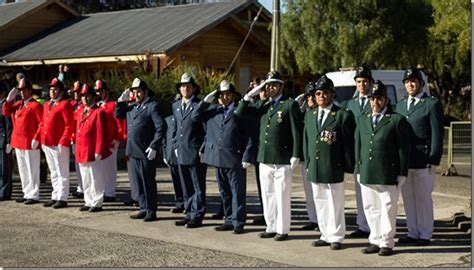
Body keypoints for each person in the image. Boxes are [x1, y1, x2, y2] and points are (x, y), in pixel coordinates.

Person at [235, 71, 302, 241]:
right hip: (264, 158)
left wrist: (296, 154)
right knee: (268, 195)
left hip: (282, 158)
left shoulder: (289, 105)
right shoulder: (263, 105)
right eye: (268, 85)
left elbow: (297, 132)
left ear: (281, 86)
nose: (270, 88)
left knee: (282, 195)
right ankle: (270, 226)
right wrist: (251, 94)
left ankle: (282, 229)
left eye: (274, 84)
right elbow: (240, 112)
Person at [356, 80, 410, 256]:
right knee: (370, 207)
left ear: (386, 100)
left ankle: (386, 242)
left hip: (387, 172)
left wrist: (402, 172)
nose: (375, 102)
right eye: (372, 99)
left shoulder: (395, 120)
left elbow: (403, 148)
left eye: (379, 98)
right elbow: (359, 145)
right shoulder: (362, 119)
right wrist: (358, 167)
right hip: (367, 171)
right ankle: (375, 239)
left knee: (387, 207)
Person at [195, 80, 256, 234]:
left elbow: (249, 136)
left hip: (235, 158)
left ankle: (239, 221)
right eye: (221, 95)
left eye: (228, 94)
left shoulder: (240, 111)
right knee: (224, 192)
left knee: (237, 192)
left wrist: (247, 156)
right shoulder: (213, 111)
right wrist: (205, 101)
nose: (225, 97)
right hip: (218, 158)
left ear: (234, 96)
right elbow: (194, 117)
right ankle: (228, 219)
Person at [303, 75, 355, 250]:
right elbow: (307, 141)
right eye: (318, 93)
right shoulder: (310, 115)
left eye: (325, 93)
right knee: (320, 200)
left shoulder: (342, 115)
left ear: (332, 94)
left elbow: (349, 144)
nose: (321, 96)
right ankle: (325, 234)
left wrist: (348, 165)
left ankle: (337, 236)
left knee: (335, 203)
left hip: (334, 165)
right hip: (316, 166)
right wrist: (308, 161)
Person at [395, 68, 444, 246]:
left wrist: (433, 159)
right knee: (408, 198)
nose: (410, 84)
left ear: (421, 84)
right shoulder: (400, 105)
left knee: (423, 198)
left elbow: (437, 134)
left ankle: (424, 234)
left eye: (414, 81)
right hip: (406, 161)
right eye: (407, 82)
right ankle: (412, 232)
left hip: (424, 160)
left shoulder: (431, 104)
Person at [116, 78, 166, 222]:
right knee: (138, 182)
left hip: (146, 151)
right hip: (133, 150)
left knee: (147, 182)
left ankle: (151, 210)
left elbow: (161, 127)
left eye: (138, 91)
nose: (136, 94)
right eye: (134, 91)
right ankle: (143, 208)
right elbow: (118, 115)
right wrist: (120, 100)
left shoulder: (152, 106)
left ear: (145, 92)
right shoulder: (132, 107)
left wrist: (154, 145)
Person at [340, 64, 373, 238]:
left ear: (370, 82)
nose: (362, 85)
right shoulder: (350, 104)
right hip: (356, 153)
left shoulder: (376, 101)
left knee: (374, 192)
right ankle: (363, 226)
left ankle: (375, 226)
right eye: (359, 81)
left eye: (365, 81)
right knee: (360, 191)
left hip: (371, 153)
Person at [172, 73, 207, 229]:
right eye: (183, 86)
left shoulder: (199, 105)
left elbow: (206, 130)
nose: (185, 89)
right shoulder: (176, 105)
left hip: (195, 151)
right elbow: (175, 128)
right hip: (181, 150)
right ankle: (189, 212)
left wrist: (203, 149)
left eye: (188, 86)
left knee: (197, 185)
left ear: (193, 88)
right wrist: (174, 145)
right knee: (186, 185)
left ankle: (197, 214)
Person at [35, 78, 74, 209]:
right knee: (53, 171)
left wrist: (63, 141)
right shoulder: (47, 104)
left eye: (55, 89)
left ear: (61, 92)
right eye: (51, 89)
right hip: (47, 141)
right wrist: (39, 137)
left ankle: (62, 197)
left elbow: (69, 125)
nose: (52, 92)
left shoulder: (64, 104)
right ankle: (55, 195)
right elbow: (43, 123)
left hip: (58, 143)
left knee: (62, 171)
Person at [3, 78, 43, 204]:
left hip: (29, 142)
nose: (21, 92)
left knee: (32, 169)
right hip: (18, 141)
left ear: (30, 91)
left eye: (24, 90)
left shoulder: (35, 105)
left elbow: (41, 123)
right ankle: (26, 192)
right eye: (20, 90)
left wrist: (36, 137)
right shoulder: (19, 104)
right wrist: (9, 100)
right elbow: (5, 112)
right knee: (23, 169)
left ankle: (33, 194)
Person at [75, 84, 110, 213]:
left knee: (95, 177)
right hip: (82, 149)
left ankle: (97, 202)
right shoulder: (81, 112)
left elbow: (101, 133)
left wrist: (99, 150)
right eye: (83, 96)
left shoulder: (98, 112)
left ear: (92, 97)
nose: (85, 98)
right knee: (85, 177)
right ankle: (88, 200)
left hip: (92, 149)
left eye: (87, 96)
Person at [294, 82, 319, 231]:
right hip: (306, 159)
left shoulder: (322, 112)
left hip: (319, 159)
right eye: (308, 95)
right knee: (309, 192)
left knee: (320, 192)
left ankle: (322, 220)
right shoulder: (304, 113)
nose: (310, 98)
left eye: (312, 95)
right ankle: (313, 218)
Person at [95, 79, 120, 202]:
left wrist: (117, 138)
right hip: (98, 143)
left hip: (110, 141)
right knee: (99, 169)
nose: (99, 94)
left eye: (101, 91)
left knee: (110, 169)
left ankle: (110, 192)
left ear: (106, 92)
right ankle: (102, 191)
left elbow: (119, 123)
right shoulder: (94, 106)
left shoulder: (112, 105)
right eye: (97, 91)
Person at [163, 113, 185, 213]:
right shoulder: (167, 119)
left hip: (182, 154)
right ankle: (179, 203)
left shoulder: (183, 118)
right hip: (171, 154)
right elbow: (165, 139)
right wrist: (164, 154)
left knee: (185, 182)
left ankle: (187, 203)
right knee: (176, 182)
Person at [70, 81, 84, 199]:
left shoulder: (85, 106)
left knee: (84, 165)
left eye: (78, 92)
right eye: (75, 92)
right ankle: (80, 187)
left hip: (82, 139)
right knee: (77, 165)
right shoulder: (73, 104)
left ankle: (85, 188)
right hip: (74, 138)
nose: (76, 94)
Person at [0, 81, 13, 201]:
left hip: (3, 139)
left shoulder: (6, 104)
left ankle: (5, 192)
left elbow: (9, 125)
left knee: (5, 168)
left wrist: (9, 141)